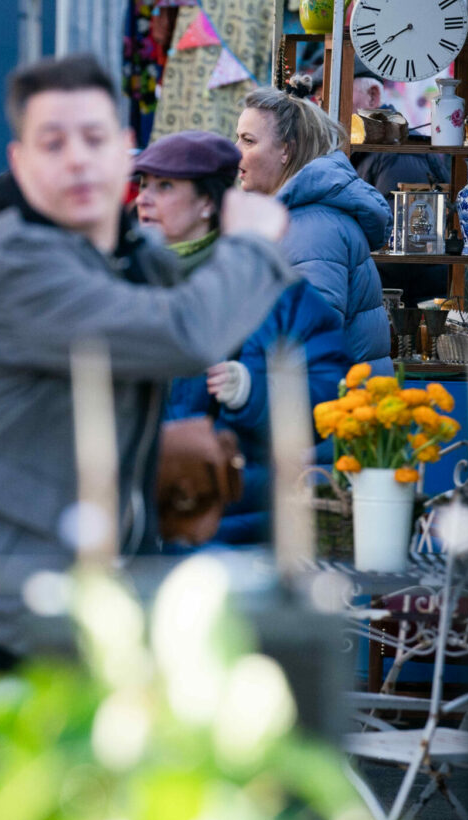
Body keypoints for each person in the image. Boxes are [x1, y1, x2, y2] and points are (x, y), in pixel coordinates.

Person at [0, 55, 296, 675]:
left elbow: (170, 291)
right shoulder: (15, 261)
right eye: (52, 143)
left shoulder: (118, 251)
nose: (77, 159)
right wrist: (247, 244)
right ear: (21, 163)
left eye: (93, 139)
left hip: (75, 587)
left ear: (122, 154)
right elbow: (185, 332)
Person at [134, 131, 350, 545]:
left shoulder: (277, 292)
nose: (144, 199)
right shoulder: (120, 283)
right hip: (135, 526)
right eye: (143, 185)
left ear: (208, 204)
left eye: (164, 186)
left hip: (234, 528)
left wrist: (253, 391)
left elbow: (329, 398)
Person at [237, 82, 393, 372]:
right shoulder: (300, 216)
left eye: (248, 140)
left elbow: (309, 342)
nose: (236, 152)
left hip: (333, 408)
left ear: (286, 150)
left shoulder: (312, 229)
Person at [345, 61, 448, 308]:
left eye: (332, 93)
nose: (323, 105)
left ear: (372, 96)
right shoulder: (364, 152)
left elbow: (407, 252)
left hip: (410, 309)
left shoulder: (396, 156)